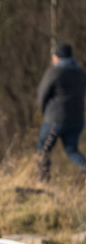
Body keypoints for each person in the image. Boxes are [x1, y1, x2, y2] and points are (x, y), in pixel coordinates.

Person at [36, 42, 86, 185]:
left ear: (57, 57)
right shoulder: (80, 73)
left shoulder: (54, 72)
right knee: (72, 150)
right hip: (77, 119)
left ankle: (43, 180)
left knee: (43, 149)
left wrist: (44, 111)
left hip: (55, 119)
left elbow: (42, 94)